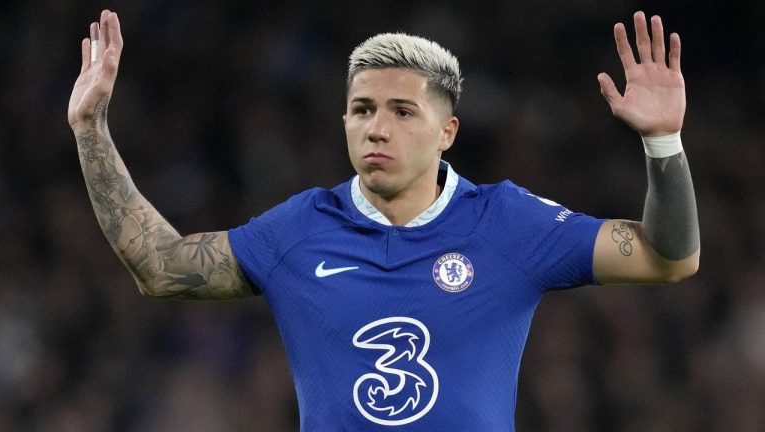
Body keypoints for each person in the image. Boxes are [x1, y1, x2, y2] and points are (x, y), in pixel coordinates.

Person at [68, 9, 699, 431]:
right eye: (362, 109)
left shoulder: (508, 223)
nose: (377, 127)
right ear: (344, 121)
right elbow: (160, 267)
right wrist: (90, 128)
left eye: (402, 111)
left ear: (447, 131)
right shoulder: (299, 229)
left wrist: (664, 143)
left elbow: (669, 257)